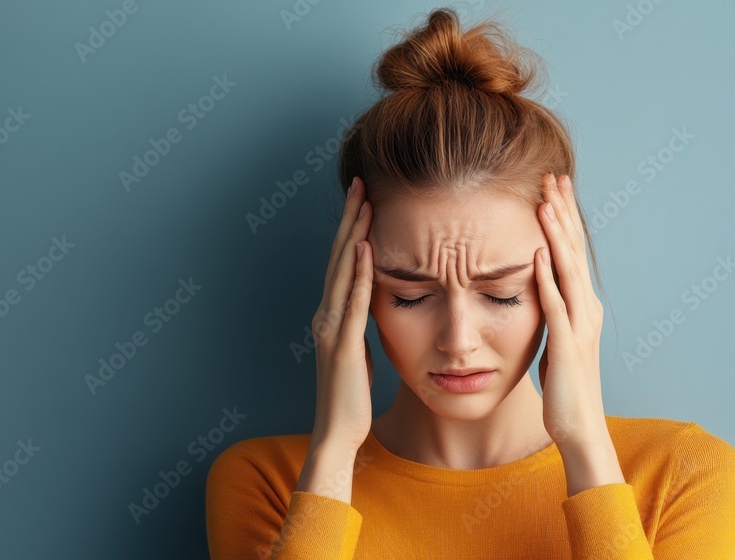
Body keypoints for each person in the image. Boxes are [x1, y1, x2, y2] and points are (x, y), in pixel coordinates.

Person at [204, 7, 735, 559]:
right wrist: (334, 455)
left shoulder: (682, 471)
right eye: (410, 296)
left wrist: (585, 448)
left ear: (563, 281)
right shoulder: (269, 481)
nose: (458, 341)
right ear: (352, 289)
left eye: (502, 293)